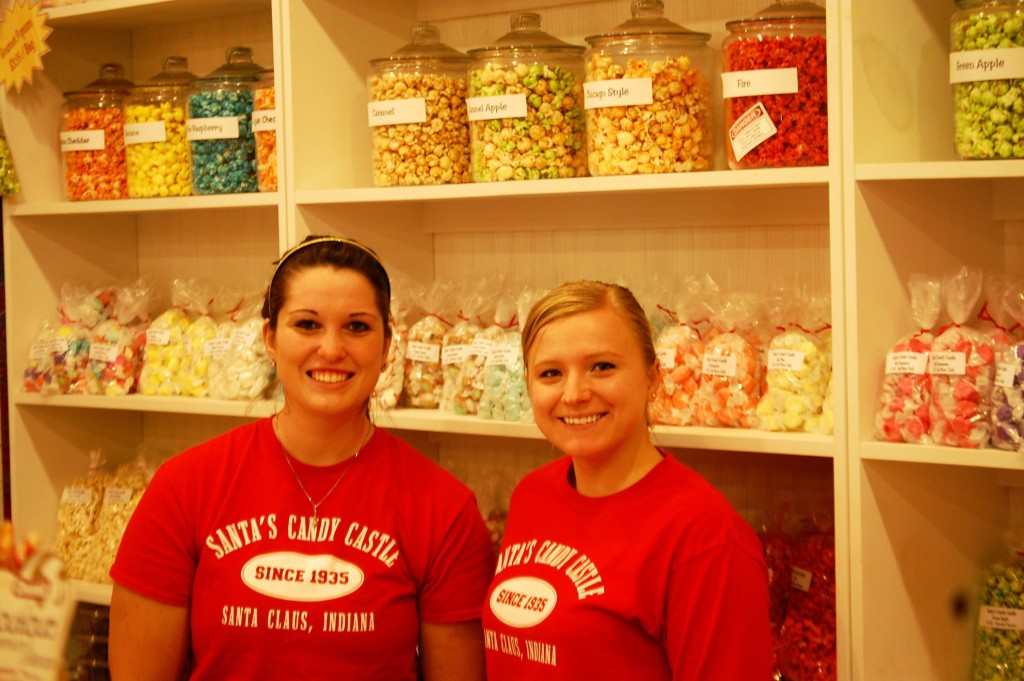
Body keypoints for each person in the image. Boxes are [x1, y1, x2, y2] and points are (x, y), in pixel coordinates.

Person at [109, 236, 496, 681]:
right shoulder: (185, 486)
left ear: (388, 344)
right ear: (270, 339)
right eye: (307, 325)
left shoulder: (444, 509)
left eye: (357, 327)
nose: (331, 349)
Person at [482, 280, 773, 680]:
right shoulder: (533, 494)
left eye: (602, 367)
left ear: (653, 376)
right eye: (550, 373)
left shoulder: (707, 538)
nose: (575, 393)